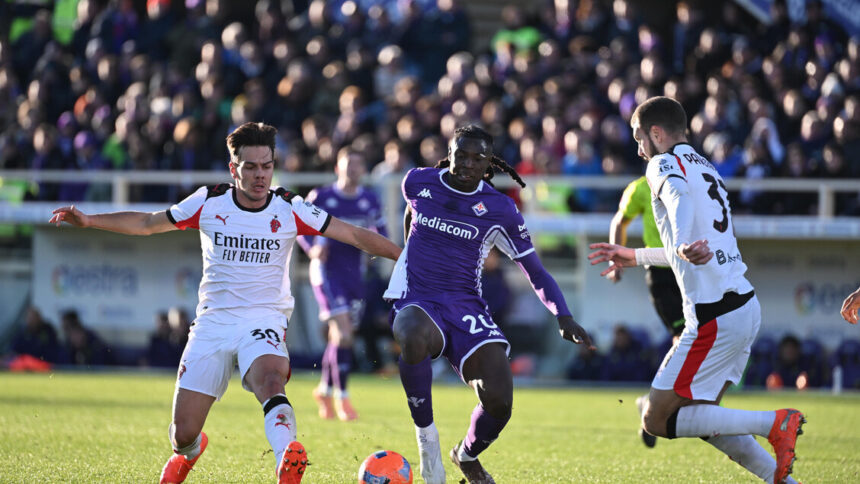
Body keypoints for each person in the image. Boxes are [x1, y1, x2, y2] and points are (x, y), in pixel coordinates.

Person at [50, 122, 402, 484]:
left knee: (270, 379)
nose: (260, 175)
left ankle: (286, 457)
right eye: (251, 167)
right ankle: (190, 449)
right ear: (234, 169)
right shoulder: (208, 201)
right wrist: (90, 219)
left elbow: (355, 234)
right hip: (214, 323)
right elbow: (146, 222)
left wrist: (404, 258)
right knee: (182, 433)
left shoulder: (289, 207)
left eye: (266, 165)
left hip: (263, 319)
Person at [588, 97, 805, 484]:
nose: (639, 149)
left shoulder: (661, 163)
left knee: (656, 418)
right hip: (743, 306)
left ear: (656, 133)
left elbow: (677, 200)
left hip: (715, 316)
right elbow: (690, 249)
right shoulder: (708, 168)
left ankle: (775, 422)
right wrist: (635, 256)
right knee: (703, 417)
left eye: (640, 138)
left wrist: (685, 241)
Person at [385, 125, 594, 484]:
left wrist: (563, 314)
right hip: (419, 297)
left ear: (488, 165)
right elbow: (412, 212)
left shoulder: (500, 209)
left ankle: (465, 455)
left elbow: (534, 270)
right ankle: (427, 442)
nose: (466, 164)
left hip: (465, 305)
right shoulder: (418, 182)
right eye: (460, 155)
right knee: (411, 331)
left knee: (499, 401)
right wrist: (408, 256)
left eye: (476, 158)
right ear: (449, 153)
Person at [297, 146, 388, 421]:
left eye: (357, 165)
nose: (352, 170)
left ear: (363, 170)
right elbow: (301, 226)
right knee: (345, 334)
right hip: (327, 272)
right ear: (338, 167)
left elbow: (381, 231)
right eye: (347, 164)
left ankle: (323, 389)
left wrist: (377, 250)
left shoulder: (369, 201)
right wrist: (312, 248)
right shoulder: (322, 197)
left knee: (341, 338)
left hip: (354, 274)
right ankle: (343, 398)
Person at [608, 174, 686, 448]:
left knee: (699, 338)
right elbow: (620, 220)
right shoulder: (640, 188)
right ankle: (653, 404)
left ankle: (656, 403)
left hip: (688, 271)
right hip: (661, 273)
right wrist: (616, 259)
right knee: (684, 339)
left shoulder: (685, 179)